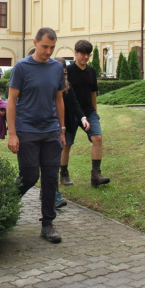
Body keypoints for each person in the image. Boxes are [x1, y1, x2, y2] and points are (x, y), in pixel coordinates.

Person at [7, 27, 66, 243]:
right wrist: (12, 133)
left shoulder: (57, 69)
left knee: (51, 178)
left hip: (50, 130)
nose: (48, 51)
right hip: (27, 130)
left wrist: (61, 130)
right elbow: (11, 100)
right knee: (30, 176)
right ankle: (5, 202)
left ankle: (47, 223)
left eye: (52, 47)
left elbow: (59, 100)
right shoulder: (22, 67)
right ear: (35, 42)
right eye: (44, 47)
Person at [62, 40, 110, 188]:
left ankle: (96, 174)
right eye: (82, 53)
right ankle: (63, 174)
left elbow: (93, 93)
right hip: (70, 113)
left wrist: (94, 112)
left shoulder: (91, 71)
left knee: (97, 138)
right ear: (75, 53)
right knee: (66, 144)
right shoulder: (68, 71)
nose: (85, 57)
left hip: (88, 112)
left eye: (88, 54)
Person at [52, 57, 91, 209]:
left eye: (63, 72)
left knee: (59, 154)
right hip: (49, 126)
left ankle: (58, 185)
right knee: (51, 159)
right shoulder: (49, 85)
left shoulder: (68, 86)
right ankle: (51, 192)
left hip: (65, 125)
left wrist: (83, 118)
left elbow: (75, 104)